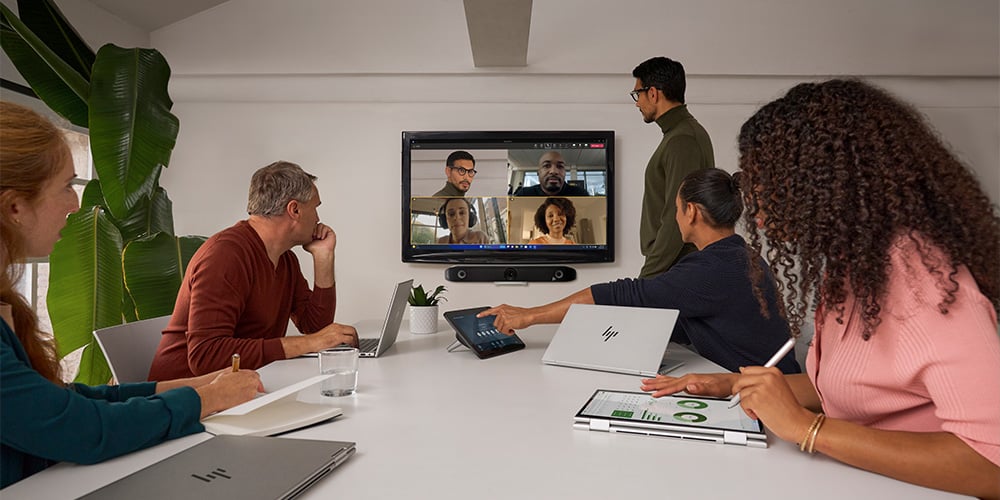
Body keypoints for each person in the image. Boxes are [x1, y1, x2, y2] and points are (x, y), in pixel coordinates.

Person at [641, 80, 1000, 498]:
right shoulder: (854, 270)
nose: (754, 207)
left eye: (765, 182)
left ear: (823, 183)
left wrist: (806, 429)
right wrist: (731, 385)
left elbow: (989, 461)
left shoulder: (927, 282)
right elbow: (853, 391)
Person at [0, 101, 262, 488]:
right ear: (15, 207)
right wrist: (206, 398)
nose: (76, 206)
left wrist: (197, 386)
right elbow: (79, 428)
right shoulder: (227, 252)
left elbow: (57, 402)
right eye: (66, 187)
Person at [483, 169, 799, 374]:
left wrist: (529, 315)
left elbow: (621, 293)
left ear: (691, 211)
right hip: (769, 384)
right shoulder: (738, 255)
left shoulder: (711, 268)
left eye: (676, 209)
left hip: (773, 398)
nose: (675, 217)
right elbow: (677, 318)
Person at [148, 161, 359, 381]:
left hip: (239, 388)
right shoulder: (225, 256)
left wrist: (324, 257)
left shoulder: (285, 259)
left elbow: (316, 328)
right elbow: (205, 356)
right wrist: (308, 344)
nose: (317, 218)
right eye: (315, 207)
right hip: (186, 400)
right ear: (294, 209)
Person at [631, 56, 714, 278]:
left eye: (637, 94)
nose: (637, 103)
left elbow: (677, 215)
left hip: (676, 267)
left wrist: (647, 279)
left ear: (653, 93)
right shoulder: (679, 134)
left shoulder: (682, 139)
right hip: (673, 266)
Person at [513, 151, 590, 196]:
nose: (554, 171)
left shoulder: (580, 194)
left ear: (565, 172)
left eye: (560, 166)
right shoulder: (525, 195)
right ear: (538, 172)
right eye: (546, 166)